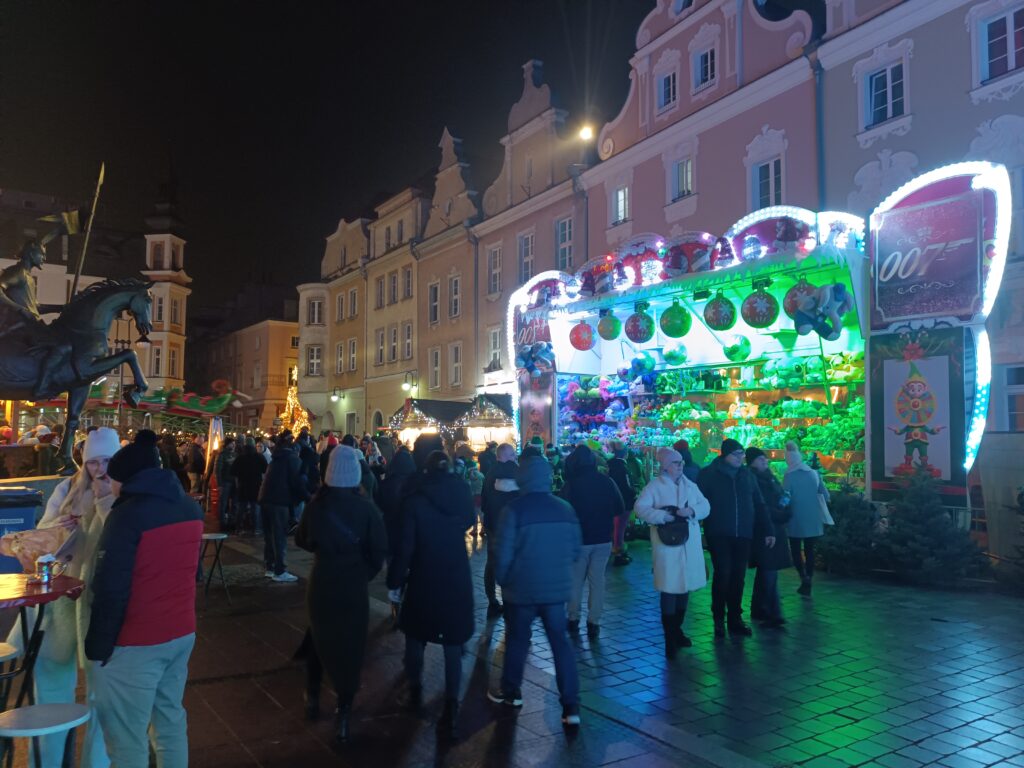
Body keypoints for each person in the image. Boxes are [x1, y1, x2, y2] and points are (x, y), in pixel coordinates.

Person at [85, 429, 204, 768]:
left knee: (127, 739)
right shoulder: (189, 508)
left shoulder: (126, 517)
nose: (111, 484)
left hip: (136, 642)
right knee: (169, 721)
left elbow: (111, 588)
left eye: (114, 478)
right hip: (181, 632)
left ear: (128, 479)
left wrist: (97, 649)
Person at [3, 427, 121, 767]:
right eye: (94, 462)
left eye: (107, 461)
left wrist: (102, 503)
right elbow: (44, 534)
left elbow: (117, 538)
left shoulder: (122, 492)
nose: (100, 468)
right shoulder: (67, 488)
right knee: (52, 684)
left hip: (97, 602)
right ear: (84, 463)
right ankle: (48, 760)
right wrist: (61, 525)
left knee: (103, 693)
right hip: (60, 600)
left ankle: (96, 763)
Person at [296, 445, 387, 744]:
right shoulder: (367, 509)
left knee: (318, 637)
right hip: (352, 584)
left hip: (322, 581)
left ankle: (312, 696)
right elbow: (379, 551)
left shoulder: (316, 504)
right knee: (350, 644)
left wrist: (325, 551)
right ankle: (344, 711)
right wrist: (362, 572)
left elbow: (302, 539)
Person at [388, 448, 476, 740]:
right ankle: (451, 703)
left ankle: (415, 690)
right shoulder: (461, 491)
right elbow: (467, 520)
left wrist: (395, 579)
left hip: (424, 572)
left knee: (415, 634)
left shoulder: (415, 499)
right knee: (452, 643)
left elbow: (405, 547)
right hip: (454, 571)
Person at [488, 456, 582, 726]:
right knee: (560, 644)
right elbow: (575, 550)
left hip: (522, 590)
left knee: (518, 640)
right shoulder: (565, 509)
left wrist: (504, 582)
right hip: (555, 592)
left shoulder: (514, 510)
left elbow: (502, 554)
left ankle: (512, 692)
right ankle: (571, 706)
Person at [635, 447, 711, 658]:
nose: (681, 466)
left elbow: (705, 505)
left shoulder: (690, 485)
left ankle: (677, 629)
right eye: (676, 463)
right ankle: (669, 637)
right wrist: (662, 516)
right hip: (667, 546)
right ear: (666, 467)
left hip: (689, 544)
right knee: (669, 589)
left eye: (681, 463)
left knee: (684, 588)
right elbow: (640, 508)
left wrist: (693, 511)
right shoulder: (655, 487)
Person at [697, 439, 774, 639]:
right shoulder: (708, 475)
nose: (740, 458)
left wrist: (768, 529)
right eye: (736, 454)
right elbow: (698, 503)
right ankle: (718, 618)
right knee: (723, 574)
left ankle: (735, 618)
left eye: (742, 454)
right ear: (724, 455)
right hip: (719, 533)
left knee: (738, 576)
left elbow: (759, 503)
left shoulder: (747, 475)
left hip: (743, 534)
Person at [561, 445, 624, 639]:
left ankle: (573, 618)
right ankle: (594, 622)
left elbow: (562, 510)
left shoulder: (570, 484)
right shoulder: (606, 481)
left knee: (575, 580)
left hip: (578, 540)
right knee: (598, 580)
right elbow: (619, 507)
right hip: (602, 538)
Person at [746, 447, 792, 627]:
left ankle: (760, 609)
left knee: (767, 570)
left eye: (764, 459)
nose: (764, 461)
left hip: (776, 528)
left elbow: (780, 496)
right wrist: (779, 514)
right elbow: (760, 506)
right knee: (769, 570)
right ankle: (773, 611)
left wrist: (786, 507)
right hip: (765, 531)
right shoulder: (753, 479)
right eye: (759, 459)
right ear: (751, 462)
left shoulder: (769, 477)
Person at [257, 432, 309, 582]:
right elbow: (298, 483)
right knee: (279, 535)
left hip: (265, 499)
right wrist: (308, 497)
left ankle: (270, 566)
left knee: (269, 535)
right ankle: (280, 570)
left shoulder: (276, 458)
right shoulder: (292, 459)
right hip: (279, 501)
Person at [783, 441, 830, 597]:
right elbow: (826, 495)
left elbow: (785, 498)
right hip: (813, 518)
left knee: (796, 550)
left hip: (795, 518)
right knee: (810, 550)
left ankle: (803, 577)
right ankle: (809, 577)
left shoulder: (789, 475)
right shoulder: (814, 473)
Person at [480, 443, 519, 617]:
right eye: (511, 454)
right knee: (509, 562)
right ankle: (509, 599)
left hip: (492, 523)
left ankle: (492, 600)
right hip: (508, 525)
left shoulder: (489, 473)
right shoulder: (513, 470)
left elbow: (484, 501)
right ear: (502, 456)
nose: (514, 457)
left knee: (492, 562)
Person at [607, 440, 635, 566]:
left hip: (611, 502)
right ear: (625, 454)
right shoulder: (623, 467)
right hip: (624, 502)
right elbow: (626, 486)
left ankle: (615, 548)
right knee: (620, 527)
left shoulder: (609, 465)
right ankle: (618, 551)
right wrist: (634, 494)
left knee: (615, 527)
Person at [232, 438, 268, 534]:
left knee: (241, 508)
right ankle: (255, 528)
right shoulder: (259, 457)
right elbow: (266, 470)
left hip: (242, 485)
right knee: (255, 508)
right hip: (256, 485)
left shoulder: (240, 458)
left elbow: (233, 472)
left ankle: (238, 528)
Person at [215, 437, 237, 530]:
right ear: (227, 444)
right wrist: (219, 484)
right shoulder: (222, 455)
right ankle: (223, 523)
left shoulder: (236, 454)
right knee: (223, 502)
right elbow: (218, 470)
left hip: (234, 482)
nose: (233, 445)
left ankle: (232, 522)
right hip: (225, 482)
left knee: (234, 503)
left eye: (234, 443)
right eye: (232, 443)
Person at [465, 459, 485, 534]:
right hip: (481, 495)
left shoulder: (472, 474)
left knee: (475, 513)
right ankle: (482, 528)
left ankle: (475, 529)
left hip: (475, 496)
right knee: (481, 513)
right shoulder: (481, 474)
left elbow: (470, 483)